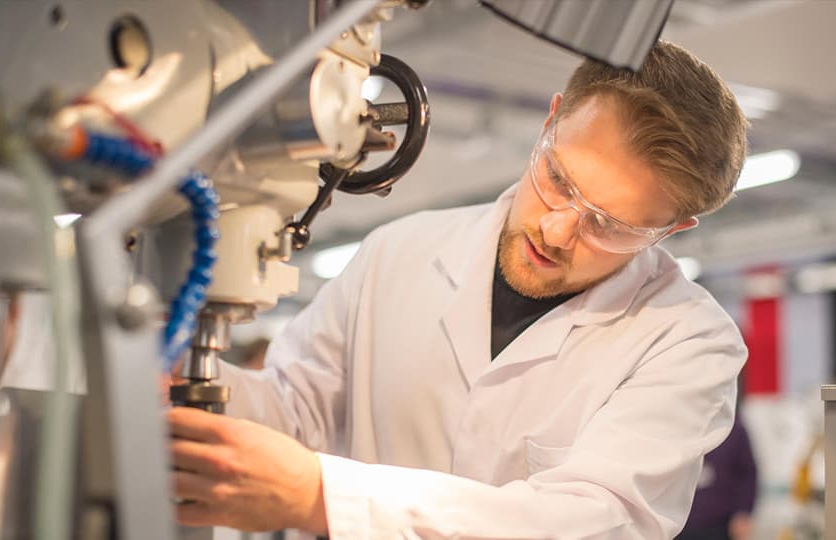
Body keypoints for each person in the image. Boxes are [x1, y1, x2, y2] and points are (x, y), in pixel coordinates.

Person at [168, 40, 749, 539]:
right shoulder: (397, 251)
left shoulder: (688, 341)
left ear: (671, 229)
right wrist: (176, 386)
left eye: (611, 225)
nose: (557, 230)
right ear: (550, 123)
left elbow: (593, 522)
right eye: (557, 180)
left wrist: (324, 497)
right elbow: (293, 412)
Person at [676, 415, 758, 540]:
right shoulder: (673, 428)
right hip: (678, 525)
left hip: (721, 525)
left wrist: (743, 512)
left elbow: (747, 475)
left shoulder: (733, 428)